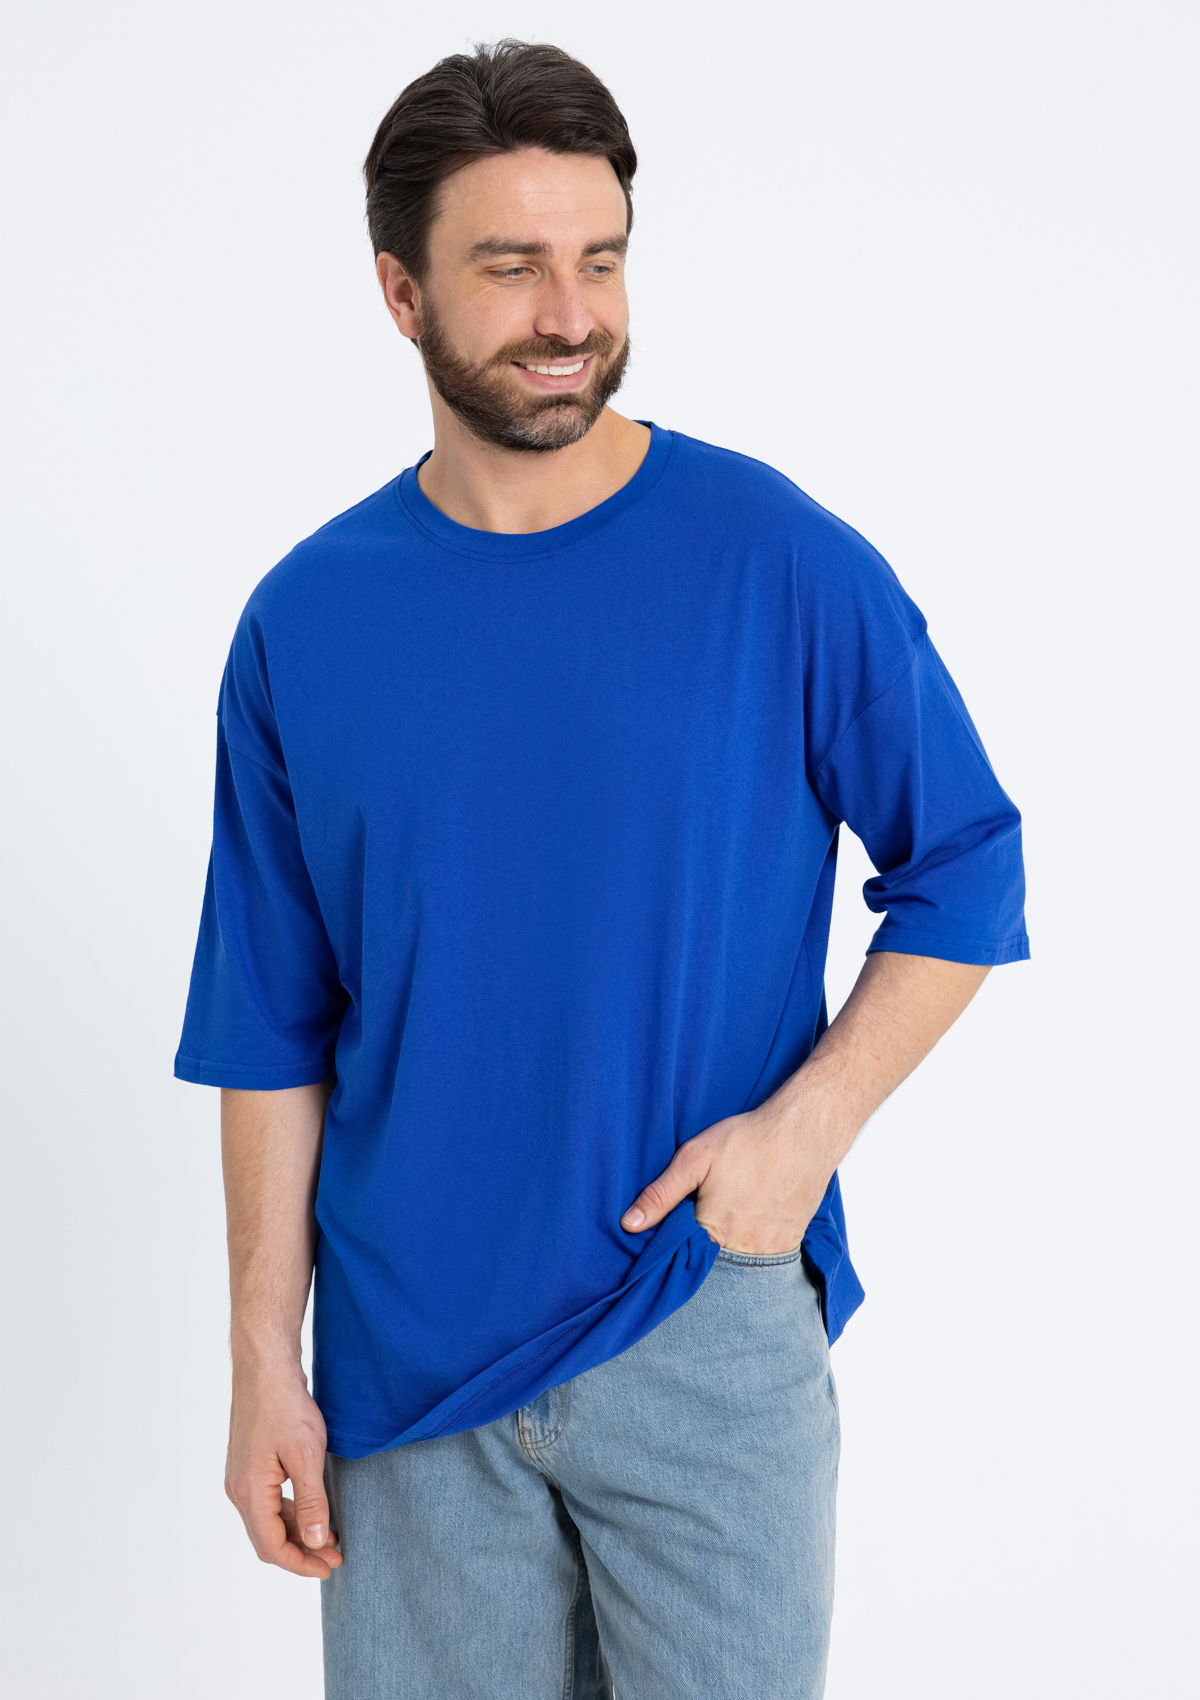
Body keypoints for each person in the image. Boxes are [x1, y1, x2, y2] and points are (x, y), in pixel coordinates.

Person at [174, 38, 1028, 1700]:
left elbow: (968, 866)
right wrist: (262, 1358)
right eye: (511, 267)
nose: (570, 313)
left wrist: (803, 1136)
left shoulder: (775, 559)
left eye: (601, 259)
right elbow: (270, 1023)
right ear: (401, 293)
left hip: (699, 1317)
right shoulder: (306, 622)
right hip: (408, 1372)